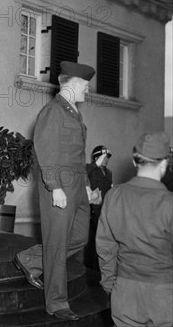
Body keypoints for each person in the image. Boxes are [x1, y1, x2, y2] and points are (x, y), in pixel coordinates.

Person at [14, 61, 98, 321]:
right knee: (58, 245)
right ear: (72, 83)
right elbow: (46, 150)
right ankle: (57, 303)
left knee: (79, 237)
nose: (87, 90)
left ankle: (29, 259)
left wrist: (85, 185)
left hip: (77, 187)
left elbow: (78, 153)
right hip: (59, 186)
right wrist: (55, 187)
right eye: (85, 85)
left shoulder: (73, 112)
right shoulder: (53, 111)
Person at [97, 132, 172, 327]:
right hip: (164, 295)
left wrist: (110, 284)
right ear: (164, 163)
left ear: (134, 161)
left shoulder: (114, 196)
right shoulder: (169, 203)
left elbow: (105, 246)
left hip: (124, 293)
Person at [84, 145, 113, 269]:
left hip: (104, 210)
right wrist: (95, 165)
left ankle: (99, 265)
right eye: (104, 157)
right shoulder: (89, 169)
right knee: (91, 239)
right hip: (92, 210)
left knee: (103, 238)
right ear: (97, 157)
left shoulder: (108, 173)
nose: (106, 160)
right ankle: (89, 265)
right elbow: (82, 174)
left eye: (108, 158)